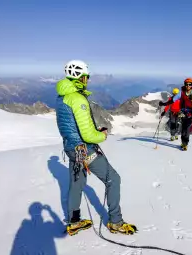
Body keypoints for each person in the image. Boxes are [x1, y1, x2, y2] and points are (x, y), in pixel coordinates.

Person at [55, 60, 137, 236]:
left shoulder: (62, 97)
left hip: (71, 148)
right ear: (80, 77)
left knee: (77, 183)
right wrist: (102, 135)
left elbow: (71, 125)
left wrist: (92, 132)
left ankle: (73, 221)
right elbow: (87, 136)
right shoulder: (77, 99)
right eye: (86, 76)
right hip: (85, 149)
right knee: (113, 179)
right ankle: (116, 222)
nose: (88, 79)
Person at [159, 78, 192, 150]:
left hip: (190, 114)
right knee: (183, 129)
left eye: (190, 84)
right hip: (183, 113)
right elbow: (172, 100)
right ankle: (183, 142)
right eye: (186, 84)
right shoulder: (181, 93)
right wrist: (163, 104)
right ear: (184, 84)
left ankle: (185, 144)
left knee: (186, 129)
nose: (188, 86)